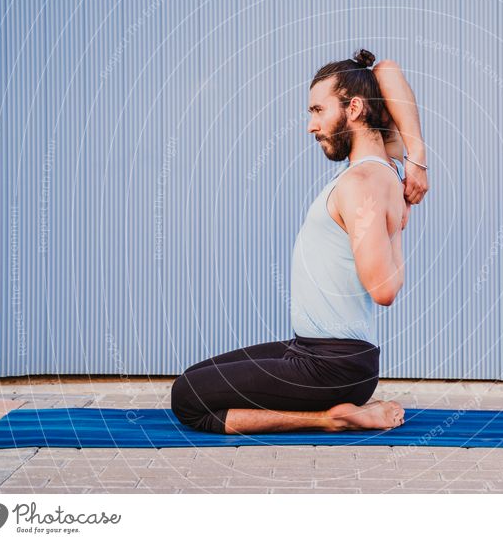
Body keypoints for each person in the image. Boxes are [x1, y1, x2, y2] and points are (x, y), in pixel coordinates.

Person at [170, 48, 427, 434]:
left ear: (354, 109)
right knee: (198, 375)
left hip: (333, 366)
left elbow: (384, 289)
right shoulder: (384, 165)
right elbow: (386, 70)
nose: (311, 124)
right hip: (309, 350)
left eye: (318, 110)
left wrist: (398, 227)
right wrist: (417, 158)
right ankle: (336, 411)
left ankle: (330, 419)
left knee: (187, 397)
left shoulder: (363, 184)